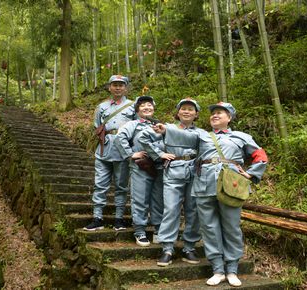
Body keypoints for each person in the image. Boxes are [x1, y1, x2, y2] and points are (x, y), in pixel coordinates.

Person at [153, 102, 268, 287]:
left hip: (231, 185)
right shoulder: (201, 135)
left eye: (220, 113)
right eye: (213, 113)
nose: (215, 115)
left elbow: (260, 155)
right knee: (209, 227)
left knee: (231, 227)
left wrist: (252, 173)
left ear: (229, 118)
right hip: (204, 185)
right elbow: (182, 136)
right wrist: (166, 130)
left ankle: (232, 269)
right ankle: (217, 269)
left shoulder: (241, 137)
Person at [140, 98, 202, 267]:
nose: (187, 111)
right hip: (174, 170)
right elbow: (143, 137)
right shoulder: (168, 127)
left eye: (191, 109)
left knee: (193, 210)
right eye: (183, 109)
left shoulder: (202, 133)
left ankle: (189, 247)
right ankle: (167, 248)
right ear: (178, 112)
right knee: (171, 209)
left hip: (194, 172)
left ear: (196, 114)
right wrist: (158, 154)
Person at [83, 75, 135, 232]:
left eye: (121, 85)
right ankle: (97, 218)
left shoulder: (132, 106)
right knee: (100, 184)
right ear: (109, 87)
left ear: (126, 88)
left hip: (123, 149)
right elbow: (97, 126)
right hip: (104, 148)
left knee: (121, 186)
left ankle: (119, 219)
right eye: (115, 85)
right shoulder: (102, 107)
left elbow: (138, 127)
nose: (118, 87)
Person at [114, 96, 164, 247]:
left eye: (150, 105)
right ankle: (140, 231)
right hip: (141, 166)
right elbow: (119, 138)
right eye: (143, 105)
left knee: (159, 199)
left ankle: (158, 230)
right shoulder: (132, 124)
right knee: (140, 198)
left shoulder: (160, 125)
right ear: (137, 110)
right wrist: (130, 154)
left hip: (159, 166)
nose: (147, 107)